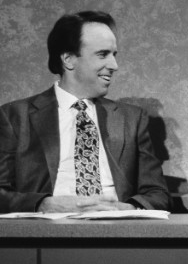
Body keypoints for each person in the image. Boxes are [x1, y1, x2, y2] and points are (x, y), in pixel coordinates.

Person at [0, 11, 171, 212]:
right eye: (102, 54)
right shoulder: (14, 117)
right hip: (49, 234)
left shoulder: (131, 119)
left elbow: (157, 194)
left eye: (114, 55)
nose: (114, 65)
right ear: (69, 59)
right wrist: (43, 204)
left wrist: (126, 210)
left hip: (118, 231)